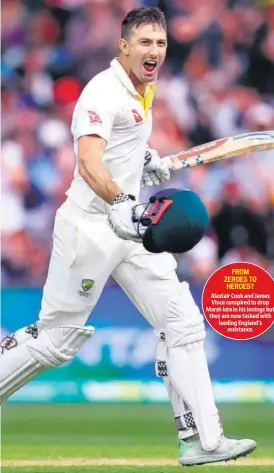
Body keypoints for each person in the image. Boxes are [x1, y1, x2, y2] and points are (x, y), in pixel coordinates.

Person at [0, 6, 256, 466]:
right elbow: (89, 162)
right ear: (124, 46)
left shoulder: (145, 87)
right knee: (56, 340)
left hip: (133, 228)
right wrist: (120, 199)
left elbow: (121, 149)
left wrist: (147, 162)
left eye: (159, 42)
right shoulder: (102, 90)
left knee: (181, 322)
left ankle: (204, 440)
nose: (153, 50)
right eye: (144, 43)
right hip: (91, 227)